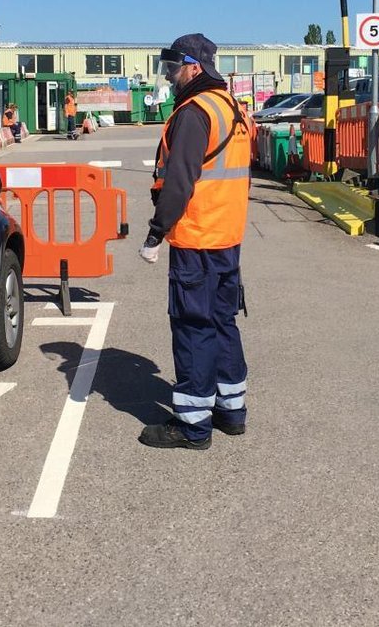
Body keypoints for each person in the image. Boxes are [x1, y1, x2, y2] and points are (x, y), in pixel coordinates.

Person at [138, 33, 251, 450]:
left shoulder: (193, 112)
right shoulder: (231, 107)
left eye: (173, 68)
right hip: (227, 237)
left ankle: (192, 426)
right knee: (222, 322)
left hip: (197, 237)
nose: (169, 76)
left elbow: (180, 181)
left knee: (192, 327)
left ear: (194, 67)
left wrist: (156, 233)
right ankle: (231, 411)